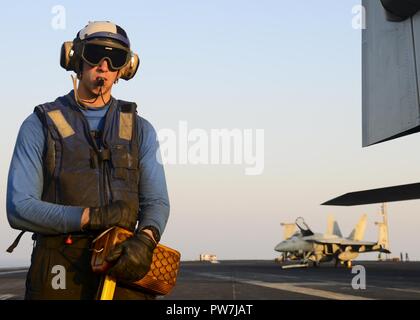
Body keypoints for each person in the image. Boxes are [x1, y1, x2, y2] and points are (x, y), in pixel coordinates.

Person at [6, 21, 170, 300]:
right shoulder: (39, 124)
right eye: (95, 54)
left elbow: (157, 202)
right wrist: (90, 217)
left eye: (114, 58)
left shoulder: (140, 129)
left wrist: (146, 240)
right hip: (59, 267)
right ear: (76, 59)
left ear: (125, 69)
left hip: (123, 264)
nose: (104, 66)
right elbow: (19, 207)